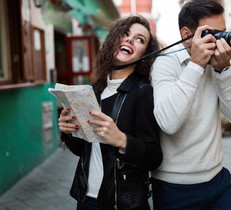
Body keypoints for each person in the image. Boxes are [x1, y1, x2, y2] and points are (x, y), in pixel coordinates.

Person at [150, 0, 231, 209]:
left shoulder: (218, 63)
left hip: (218, 179)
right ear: (187, 35)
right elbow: (168, 122)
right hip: (174, 186)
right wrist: (196, 65)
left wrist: (225, 70)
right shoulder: (165, 63)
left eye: (223, 32)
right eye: (213, 34)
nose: (221, 42)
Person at [58, 15, 163, 210]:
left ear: (144, 54)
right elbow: (84, 151)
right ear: (113, 40)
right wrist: (68, 132)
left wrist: (122, 141)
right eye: (125, 33)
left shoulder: (142, 93)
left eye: (140, 39)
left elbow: (154, 157)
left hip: (122, 203)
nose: (130, 39)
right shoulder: (95, 91)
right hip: (85, 200)